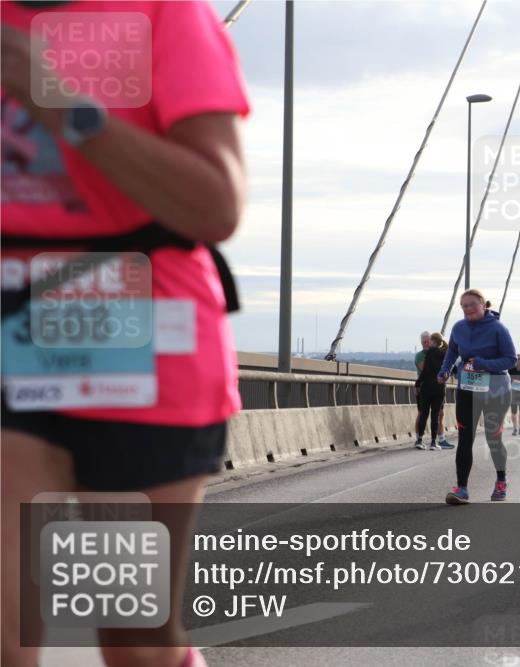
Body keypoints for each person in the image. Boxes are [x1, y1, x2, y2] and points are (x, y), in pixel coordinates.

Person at [1, 4, 249, 666]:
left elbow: (217, 203)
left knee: (133, 636)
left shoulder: (165, 14)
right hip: (11, 340)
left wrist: (56, 100)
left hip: (143, 346)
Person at [437, 289, 517, 504]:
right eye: (463, 306)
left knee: (493, 437)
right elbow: (452, 351)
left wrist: (484, 364)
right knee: (465, 438)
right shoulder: (459, 327)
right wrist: (445, 370)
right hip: (468, 388)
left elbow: (510, 360)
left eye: (472, 304)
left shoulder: (498, 328)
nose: (467, 309)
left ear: (483, 305)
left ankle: (501, 480)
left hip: (496, 389)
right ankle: (461, 488)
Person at [414, 333, 448, 450]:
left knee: (424, 413)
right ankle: (433, 442)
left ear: (433, 341)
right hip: (439, 387)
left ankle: (420, 440)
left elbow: (425, 371)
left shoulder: (429, 353)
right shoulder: (445, 353)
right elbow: (447, 371)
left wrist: (418, 383)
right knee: (435, 415)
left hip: (427, 387)